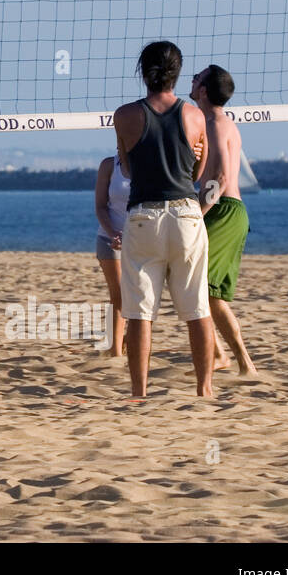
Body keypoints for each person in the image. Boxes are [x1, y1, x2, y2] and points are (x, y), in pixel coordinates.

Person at [113, 41, 217, 397]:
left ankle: (139, 392)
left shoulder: (125, 115)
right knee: (197, 307)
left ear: (144, 73)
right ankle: (204, 389)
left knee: (140, 313)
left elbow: (125, 167)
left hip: (144, 216)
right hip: (186, 214)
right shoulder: (194, 116)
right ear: (177, 73)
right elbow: (198, 172)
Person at [192, 64, 256, 377]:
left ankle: (240, 362)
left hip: (223, 208)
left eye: (196, 76)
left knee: (202, 289)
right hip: (225, 207)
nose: (191, 79)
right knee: (196, 287)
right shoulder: (213, 122)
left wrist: (197, 215)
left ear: (203, 89)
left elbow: (219, 177)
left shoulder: (215, 122)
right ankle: (227, 357)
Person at [93, 151, 130, 357]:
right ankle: (115, 352)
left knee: (139, 298)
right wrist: (113, 233)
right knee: (118, 297)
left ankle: (128, 341)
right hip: (110, 238)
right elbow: (99, 207)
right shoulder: (109, 165)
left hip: (140, 239)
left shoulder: (151, 161)